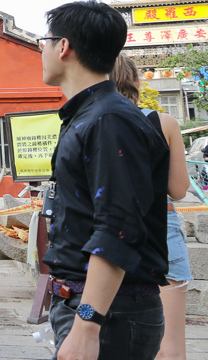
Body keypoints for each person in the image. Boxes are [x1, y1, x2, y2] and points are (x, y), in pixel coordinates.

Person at [40, 0, 169, 360]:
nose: (42, 50)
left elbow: (118, 228)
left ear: (63, 46)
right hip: (96, 306)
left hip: (110, 312)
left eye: (44, 41)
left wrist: (87, 324)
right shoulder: (91, 115)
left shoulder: (109, 120)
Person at [111, 54, 190, 360]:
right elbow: (178, 190)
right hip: (162, 229)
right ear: (136, 81)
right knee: (169, 345)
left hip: (110, 233)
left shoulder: (94, 122)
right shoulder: (164, 123)